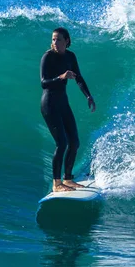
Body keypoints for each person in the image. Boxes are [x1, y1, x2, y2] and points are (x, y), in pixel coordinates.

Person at [40, 27, 96, 192]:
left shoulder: (70, 56)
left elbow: (78, 78)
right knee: (62, 143)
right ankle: (56, 184)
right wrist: (61, 77)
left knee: (74, 142)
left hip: (63, 104)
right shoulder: (47, 57)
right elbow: (44, 82)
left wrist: (88, 96)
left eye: (58, 39)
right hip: (49, 104)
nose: (55, 42)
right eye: (53, 39)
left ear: (67, 41)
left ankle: (68, 178)